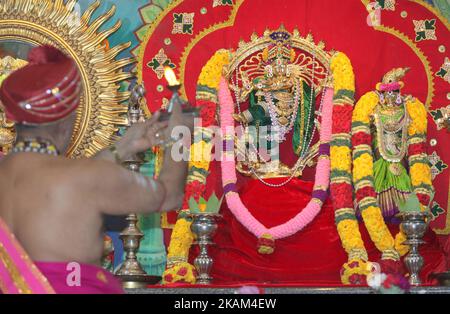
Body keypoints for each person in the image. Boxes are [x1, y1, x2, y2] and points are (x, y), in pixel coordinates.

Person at [0, 46, 193, 294]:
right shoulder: (84, 178)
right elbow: (168, 196)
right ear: (69, 116)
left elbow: (82, 175)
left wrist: (122, 147)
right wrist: (181, 134)